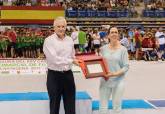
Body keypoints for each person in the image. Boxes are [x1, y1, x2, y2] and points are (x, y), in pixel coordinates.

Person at [43, 17, 80, 114]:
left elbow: (72, 56)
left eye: (63, 26)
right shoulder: (48, 41)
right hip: (54, 76)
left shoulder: (70, 40)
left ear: (66, 27)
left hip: (68, 75)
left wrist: (80, 61)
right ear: (54, 27)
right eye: (58, 26)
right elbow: (54, 59)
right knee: (54, 107)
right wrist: (71, 61)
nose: (61, 28)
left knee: (71, 107)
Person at [99, 27, 129, 114]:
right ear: (108, 35)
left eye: (116, 32)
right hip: (105, 80)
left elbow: (126, 67)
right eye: (112, 32)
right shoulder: (103, 49)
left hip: (118, 81)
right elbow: (99, 64)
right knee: (103, 108)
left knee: (117, 107)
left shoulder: (123, 50)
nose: (114, 34)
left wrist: (114, 74)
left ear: (118, 35)